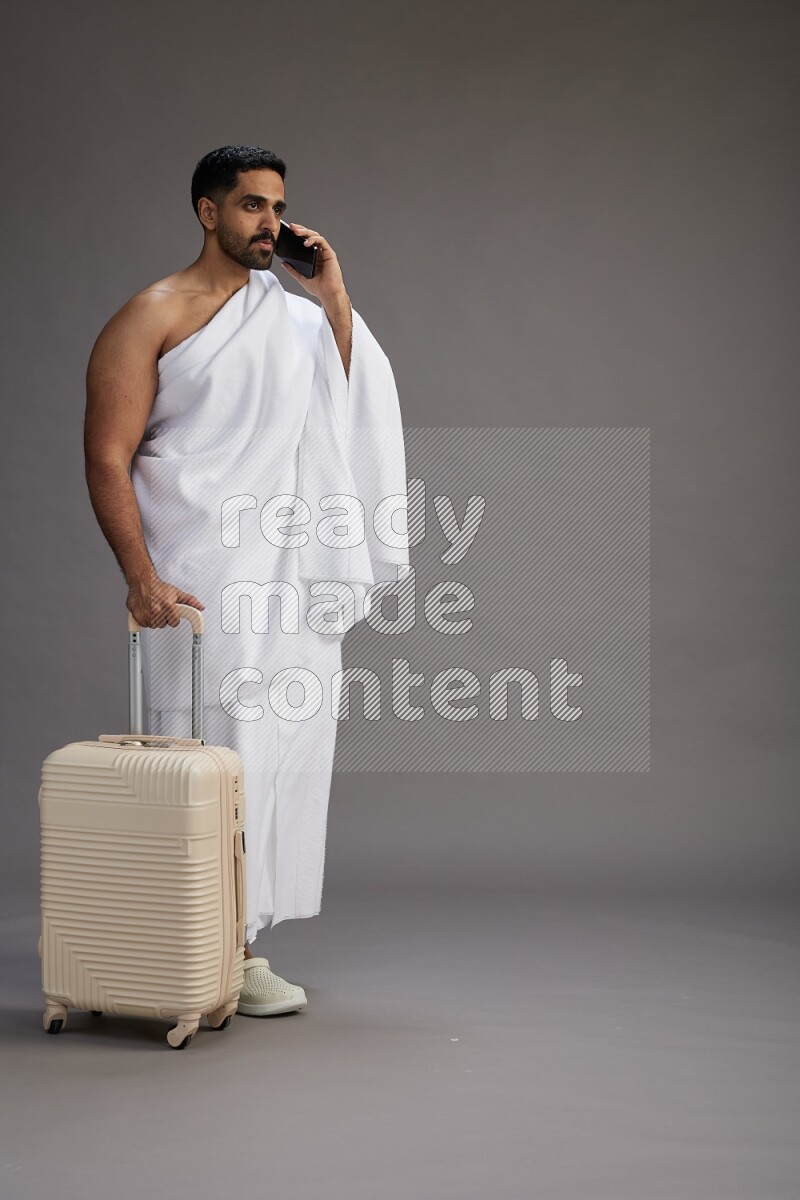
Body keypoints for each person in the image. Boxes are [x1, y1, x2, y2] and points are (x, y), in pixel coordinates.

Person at [83, 145, 408, 1017]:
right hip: (201, 571)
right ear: (207, 211)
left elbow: (352, 401)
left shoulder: (296, 316)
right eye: (253, 205)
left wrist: (332, 296)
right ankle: (188, 940)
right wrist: (141, 577)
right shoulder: (150, 315)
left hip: (291, 573)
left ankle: (240, 945)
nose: (272, 223)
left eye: (279, 207)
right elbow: (108, 456)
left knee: (282, 752)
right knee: (202, 748)